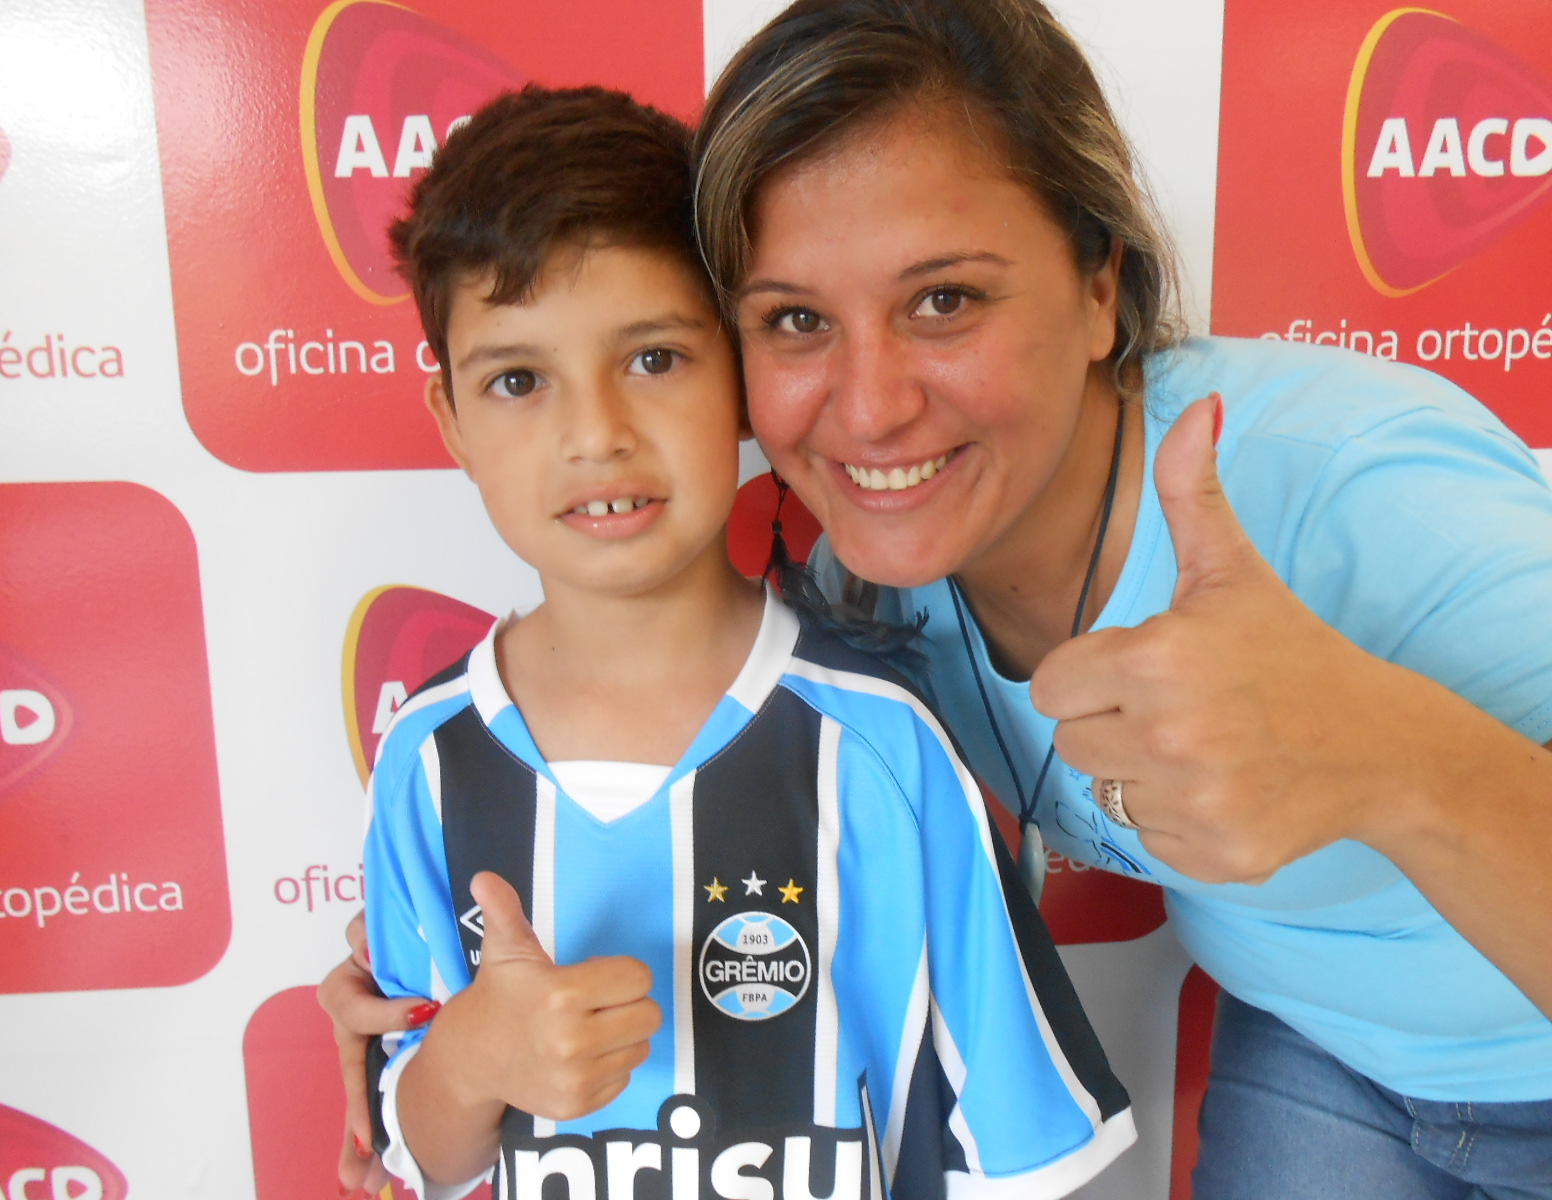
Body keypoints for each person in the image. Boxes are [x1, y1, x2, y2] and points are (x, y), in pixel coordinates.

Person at [685, 0, 1552, 1197]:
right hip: (1322, 1052)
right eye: (794, 320)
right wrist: (441, 985)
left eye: (944, 300)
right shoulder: (862, 583)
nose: (871, 407)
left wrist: (1397, 759)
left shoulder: (1357, 493)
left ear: (1101, 285)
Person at [351, 82, 1135, 1200]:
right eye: (519, 380)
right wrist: (475, 1057)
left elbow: (1018, 1146)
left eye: (655, 358)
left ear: (739, 377)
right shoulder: (427, 760)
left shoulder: (879, 741)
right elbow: (418, 1150)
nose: (596, 435)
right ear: (451, 423)